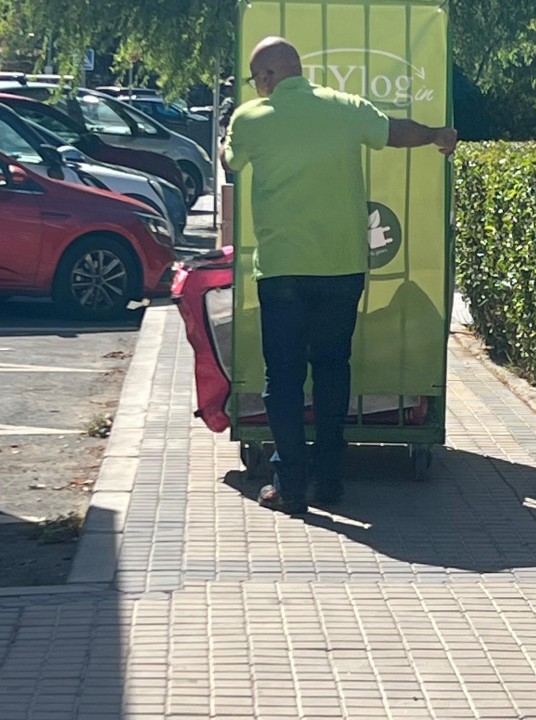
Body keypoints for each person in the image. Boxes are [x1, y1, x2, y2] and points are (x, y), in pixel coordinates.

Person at [222, 36, 458, 515]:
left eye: (256, 78)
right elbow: (396, 131)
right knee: (332, 370)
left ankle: (289, 487)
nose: (256, 86)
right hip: (343, 268)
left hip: (282, 269)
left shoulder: (249, 118)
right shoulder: (345, 107)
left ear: (268, 77)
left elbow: (231, 162)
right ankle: (330, 480)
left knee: (283, 378)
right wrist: (437, 134)